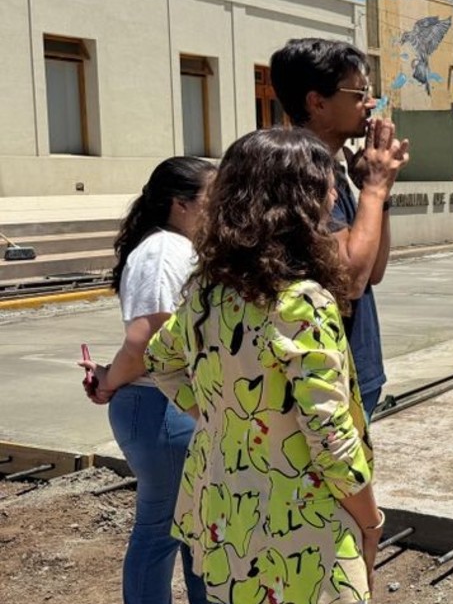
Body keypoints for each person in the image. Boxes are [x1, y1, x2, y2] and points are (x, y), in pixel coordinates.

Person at [145, 128, 383, 604]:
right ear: (300, 200)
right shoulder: (303, 303)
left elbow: (160, 360)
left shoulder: (209, 294)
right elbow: (330, 439)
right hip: (303, 535)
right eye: (327, 182)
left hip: (225, 522)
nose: (335, 193)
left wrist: (230, 419)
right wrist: (371, 521)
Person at [77, 156, 213, 604]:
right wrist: (110, 381)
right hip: (158, 406)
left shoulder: (176, 248)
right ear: (181, 204)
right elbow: (147, 340)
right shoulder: (162, 252)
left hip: (167, 405)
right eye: (212, 198)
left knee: (195, 527)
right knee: (162, 531)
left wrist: (108, 378)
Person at [270, 38, 409, 418]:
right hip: (321, 377)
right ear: (317, 102)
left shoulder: (333, 167)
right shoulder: (300, 174)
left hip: (352, 367)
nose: (371, 103)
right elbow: (350, 281)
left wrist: (376, 191)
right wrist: (376, 187)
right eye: (359, 93)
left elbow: (373, 271)